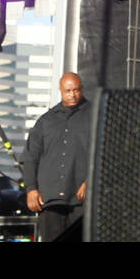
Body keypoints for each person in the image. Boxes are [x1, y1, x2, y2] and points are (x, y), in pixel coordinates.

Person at [23, 72, 90, 242]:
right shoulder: (46, 120)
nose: (72, 94)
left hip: (81, 200)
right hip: (50, 198)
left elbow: (107, 152)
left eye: (76, 90)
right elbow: (31, 157)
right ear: (60, 91)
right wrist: (31, 189)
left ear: (81, 89)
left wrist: (92, 180)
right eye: (68, 91)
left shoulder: (94, 115)